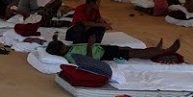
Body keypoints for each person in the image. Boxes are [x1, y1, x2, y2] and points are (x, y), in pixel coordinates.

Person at [46, 37, 181, 61]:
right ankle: (165, 52)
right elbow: (89, 61)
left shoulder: (68, 49)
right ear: (61, 52)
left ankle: (156, 50)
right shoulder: (70, 57)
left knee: (127, 48)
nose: (65, 45)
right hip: (103, 54)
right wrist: (89, 46)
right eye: (63, 46)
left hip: (101, 48)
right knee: (134, 53)